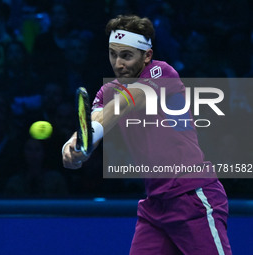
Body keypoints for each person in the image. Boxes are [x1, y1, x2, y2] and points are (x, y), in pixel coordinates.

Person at [62, 15, 232, 255]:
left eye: (127, 55)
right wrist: (73, 147)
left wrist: (92, 132)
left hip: (193, 196)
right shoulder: (106, 92)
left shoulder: (162, 73)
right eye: (113, 53)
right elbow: (92, 123)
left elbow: (129, 101)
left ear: (147, 56)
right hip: (155, 205)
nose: (118, 63)